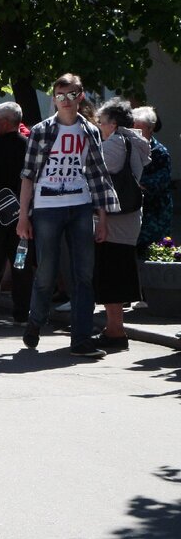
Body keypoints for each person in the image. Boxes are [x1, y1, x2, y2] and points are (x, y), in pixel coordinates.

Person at [16, 74, 120, 358]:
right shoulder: (41, 131)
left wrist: (102, 216)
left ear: (81, 96)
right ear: (54, 98)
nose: (65, 101)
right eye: (60, 96)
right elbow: (28, 176)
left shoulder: (90, 131)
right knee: (47, 274)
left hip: (81, 206)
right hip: (47, 208)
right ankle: (35, 322)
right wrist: (23, 216)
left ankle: (81, 340)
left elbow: (98, 175)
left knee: (84, 275)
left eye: (71, 95)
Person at [93, 98, 150, 351]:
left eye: (101, 121)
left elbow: (96, 172)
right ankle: (114, 328)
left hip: (116, 218)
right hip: (126, 216)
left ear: (113, 124)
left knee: (112, 274)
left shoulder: (116, 143)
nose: (98, 126)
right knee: (116, 272)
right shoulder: (133, 140)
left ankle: (116, 331)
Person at [0, 102, 32, 326]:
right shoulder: (28, 146)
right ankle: (21, 314)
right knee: (21, 265)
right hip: (22, 218)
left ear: (5, 122)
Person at [133, 106, 172, 254]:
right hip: (134, 213)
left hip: (155, 214)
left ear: (150, 129)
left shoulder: (160, 152)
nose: (135, 133)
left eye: (139, 129)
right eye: (133, 128)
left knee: (153, 252)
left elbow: (159, 182)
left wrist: (135, 183)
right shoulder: (128, 149)